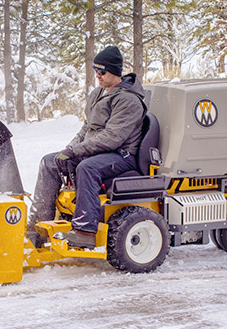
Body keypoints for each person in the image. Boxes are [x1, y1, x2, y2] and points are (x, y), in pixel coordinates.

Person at [27, 45, 146, 249]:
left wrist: (76, 152)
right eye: (95, 70)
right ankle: (39, 226)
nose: (97, 75)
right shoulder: (98, 93)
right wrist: (68, 151)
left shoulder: (129, 101)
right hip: (99, 150)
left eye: (102, 71)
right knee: (50, 162)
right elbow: (87, 128)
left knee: (87, 168)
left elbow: (112, 138)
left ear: (115, 72)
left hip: (121, 155)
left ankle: (85, 231)